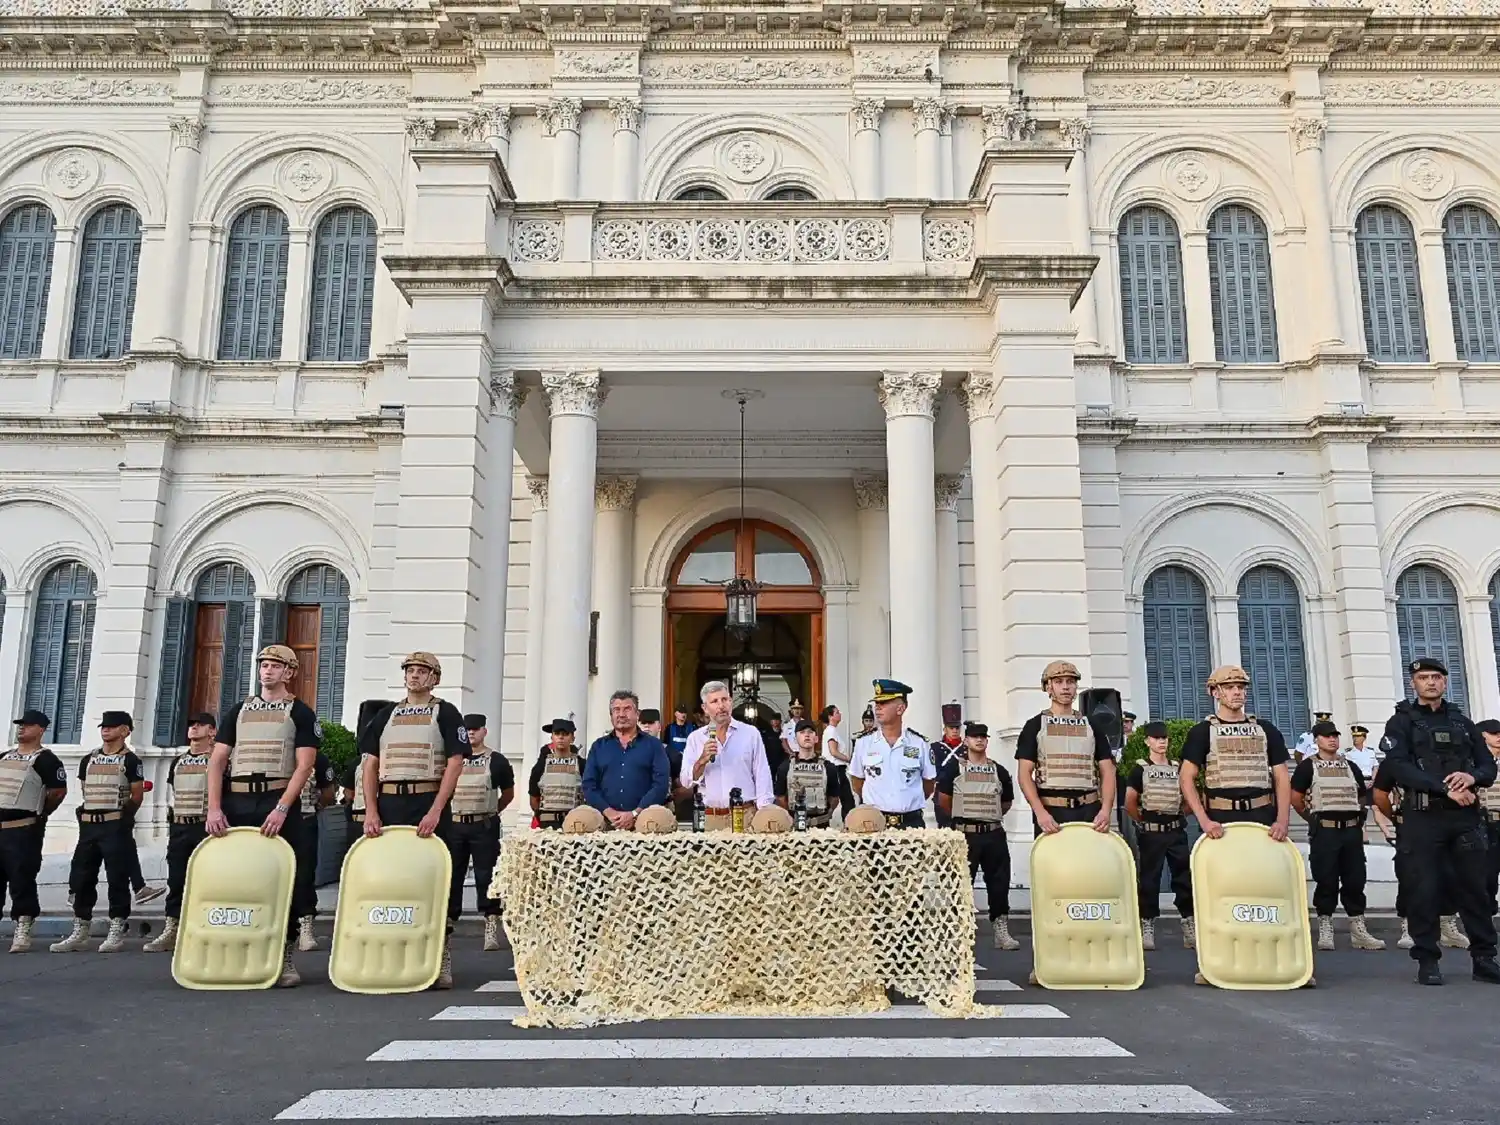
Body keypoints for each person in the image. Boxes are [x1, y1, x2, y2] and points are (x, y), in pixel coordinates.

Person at [204, 644, 320, 987]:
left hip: (276, 798)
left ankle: (283, 956)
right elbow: (218, 760)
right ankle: (238, 952)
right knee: (238, 879)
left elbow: (305, 764)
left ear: (289, 672)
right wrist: (214, 807)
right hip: (238, 800)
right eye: (263, 665)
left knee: (281, 879)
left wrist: (283, 807)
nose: (266, 671)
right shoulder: (239, 710)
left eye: (274, 665)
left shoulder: (300, 712)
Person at [1379, 657, 1498, 985]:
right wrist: (1445, 788)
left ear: (1445, 682)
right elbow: (1398, 768)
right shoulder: (1400, 723)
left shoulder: (1463, 723)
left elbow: (1489, 767)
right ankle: (1428, 960)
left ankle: (1485, 959)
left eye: (1436, 677)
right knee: (1423, 889)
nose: (1430, 682)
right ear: (1414, 683)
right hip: (1422, 818)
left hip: (1464, 817)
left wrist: (1470, 777)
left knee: (1476, 888)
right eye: (1423, 677)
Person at [359, 651, 469, 989]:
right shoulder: (385, 715)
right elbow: (370, 764)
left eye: (423, 671)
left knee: (435, 876)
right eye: (410, 670)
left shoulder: (446, 713)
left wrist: (436, 809)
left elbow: (455, 763)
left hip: (427, 798)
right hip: (390, 800)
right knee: (390, 878)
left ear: (435, 678)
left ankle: (441, 951)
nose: (414, 676)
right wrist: (371, 810)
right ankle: (391, 952)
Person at [50, 712, 144, 954]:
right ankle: (80, 929)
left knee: (117, 877)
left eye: (112, 727)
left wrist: (122, 819)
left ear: (125, 731)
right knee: (82, 876)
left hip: (114, 824)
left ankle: (116, 928)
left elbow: (136, 796)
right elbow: (85, 790)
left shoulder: (131, 761)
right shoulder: (88, 759)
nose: (106, 731)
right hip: (89, 826)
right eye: (104, 726)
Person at [1291, 720, 1383, 952]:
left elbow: (1362, 796)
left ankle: (1358, 930)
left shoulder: (1350, 766)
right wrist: (1312, 820)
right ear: (1317, 740)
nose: (1332, 739)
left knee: (1355, 880)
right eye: (1326, 736)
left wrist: (1358, 819)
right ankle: (1325, 926)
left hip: (1350, 831)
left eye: (1334, 735)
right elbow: (1296, 798)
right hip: (1325, 831)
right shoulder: (1307, 767)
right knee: (1326, 879)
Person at [1179, 665, 1292, 841]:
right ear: (1215, 692)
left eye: (1241, 687)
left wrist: (1282, 821)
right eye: (1229, 687)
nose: (1237, 692)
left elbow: (1282, 777)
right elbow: (1186, 778)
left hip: (1262, 816)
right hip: (1220, 819)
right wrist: (1204, 821)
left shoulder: (1266, 729)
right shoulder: (1202, 732)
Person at [936, 721, 1018, 950]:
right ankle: (957, 932)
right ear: (966, 741)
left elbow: (1007, 801)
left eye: (983, 736)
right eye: (974, 737)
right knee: (961, 884)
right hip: (966, 835)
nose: (979, 740)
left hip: (993, 833)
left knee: (999, 884)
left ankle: (1001, 931)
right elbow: (943, 799)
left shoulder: (998, 770)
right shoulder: (954, 768)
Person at [143, 713, 220, 954]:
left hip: (205, 827)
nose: (193, 727)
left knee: (209, 881)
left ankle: (207, 928)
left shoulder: (218, 760)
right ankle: (172, 927)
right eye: (191, 724)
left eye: (200, 724)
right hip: (180, 826)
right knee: (176, 879)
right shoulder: (179, 761)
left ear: (212, 731)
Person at [1014, 661, 1115, 835]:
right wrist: (1040, 812)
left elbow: (1108, 770)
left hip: (1089, 811)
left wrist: (1105, 811)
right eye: (1059, 682)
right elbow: (1024, 774)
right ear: (1048, 687)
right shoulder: (1035, 725)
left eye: (1070, 681)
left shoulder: (1091, 725)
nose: (1066, 687)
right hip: (1051, 813)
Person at [1124, 721, 1194, 952]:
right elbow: (1130, 802)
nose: (1161, 742)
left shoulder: (1178, 767)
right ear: (1147, 742)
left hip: (1175, 831)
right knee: (1149, 881)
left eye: (1164, 738)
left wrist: (1177, 815)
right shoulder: (1140, 769)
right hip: (1151, 833)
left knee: (1184, 880)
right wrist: (1143, 821)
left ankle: (1188, 924)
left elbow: (1190, 798)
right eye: (1156, 738)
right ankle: (1147, 925)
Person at [1, 710, 67, 953]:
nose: (21, 729)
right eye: (20, 725)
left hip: (23, 829)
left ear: (41, 730)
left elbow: (58, 792)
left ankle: (23, 928)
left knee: (21, 879)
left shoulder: (47, 760)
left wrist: (39, 814)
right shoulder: (4, 756)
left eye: (27, 726)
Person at [452, 715, 515, 953]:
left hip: (484, 824)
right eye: (467, 730)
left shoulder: (496, 760)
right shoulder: (454, 758)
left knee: (486, 877)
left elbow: (508, 793)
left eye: (475, 730)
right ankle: (449, 922)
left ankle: (490, 924)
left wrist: (492, 811)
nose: (471, 734)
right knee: (453, 875)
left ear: (484, 731)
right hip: (456, 823)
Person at [684, 680, 774, 829]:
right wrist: (702, 760)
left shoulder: (750, 733)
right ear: (705, 708)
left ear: (731, 702)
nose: (721, 706)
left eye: (724, 699)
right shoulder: (696, 738)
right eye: (714, 701)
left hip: (745, 814)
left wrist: (763, 811)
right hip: (710, 817)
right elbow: (686, 781)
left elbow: (762, 773)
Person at [849, 679, 935, 828]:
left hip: (910, 823)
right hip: (873, 823)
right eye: (877, 703)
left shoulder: (919, 743)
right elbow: (857, 782)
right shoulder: (864, 743)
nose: (877, 708)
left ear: (900, 708)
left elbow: (928, 784)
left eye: (884, 703)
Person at [581, 690, 670, 829]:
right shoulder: (599, 746)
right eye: (616, 710)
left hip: (646, 824)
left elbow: (660, 785)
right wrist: (610, 813)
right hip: (605, 823)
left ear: (637, 714)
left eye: (627, 709)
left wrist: (635, 813)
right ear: (611, 715)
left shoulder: (654, 745)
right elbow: (588, 785)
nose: (621, 714)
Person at [291, 747, 337, 952]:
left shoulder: (318, 758)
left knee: (304, 875)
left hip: (304, 820)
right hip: (274, 821)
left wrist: (316, 805)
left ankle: (306, 927)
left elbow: (328, 793)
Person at [775, 719, 840, 828]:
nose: (807, 735)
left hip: (821, 828)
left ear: (816, 739)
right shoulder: (785, 768)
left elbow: (834, 798)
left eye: (810, 732)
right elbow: (780, 798)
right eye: (802, 732)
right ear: (796, 739)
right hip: (794, 827)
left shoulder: (829, 768)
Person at [529, 718, 585, 828]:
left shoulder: (582, 764)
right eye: (557, 733)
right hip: (547, 822)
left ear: (572, 738)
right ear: (552, 737)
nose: (561, 737)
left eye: (565, 734)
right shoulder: (541, 765)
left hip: (574, 822)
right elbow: (534, 798)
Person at [1478, 719, 1500, 917]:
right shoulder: (1473, 764)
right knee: (1488, 874)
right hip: (1486, 824)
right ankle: (1487, 912)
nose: (1499, 737)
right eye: (1494, 733)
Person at [930, 702, 965, 829]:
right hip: (943, 793)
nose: (955, 731)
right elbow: (934, 771)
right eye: (951, 728)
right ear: (945, 729)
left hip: (963, 792)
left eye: (957, 728)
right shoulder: (935, 748)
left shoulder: (967, 747)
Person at [819, 704, 854, 822]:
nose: (840, 714)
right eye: (837, 712)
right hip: (836, 768)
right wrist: (849, 759)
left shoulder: (832, 730)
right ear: (830, 716)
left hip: (838, 768)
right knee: (846, 799)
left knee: (846, 799)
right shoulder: (831, 731)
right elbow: (833, 751)